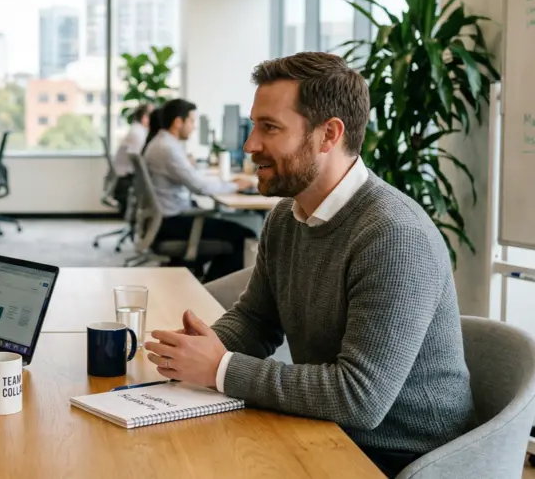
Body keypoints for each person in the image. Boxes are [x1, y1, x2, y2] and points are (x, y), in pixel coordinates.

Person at [142, 53, 474, 478]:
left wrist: (220, 368)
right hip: (325, 430)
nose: (250, 145)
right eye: (254, 125)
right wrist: (192, 350)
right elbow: (258, 319)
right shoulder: (288, 215)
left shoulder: (394, 236)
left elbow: (359, 398)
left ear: (328, 134)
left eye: (270, 128)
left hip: (399, 459)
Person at [143, 99, 256, 281]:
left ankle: (206, 284)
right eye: (192, 121)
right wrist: (236, 185)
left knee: (230, 228)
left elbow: (194, 180)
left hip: (167, 218)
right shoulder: (167, 148)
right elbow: (200, 187)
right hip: (172, 223)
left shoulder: (163, 143)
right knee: (245, 237)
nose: (194, 127)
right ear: (178, 122)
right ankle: (212, 291)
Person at [111, 104, 152, 216]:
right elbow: (143, 161)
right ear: (145, 118)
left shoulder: (137, 130)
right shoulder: (138, 134)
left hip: (123, 180)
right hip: (126, 183)